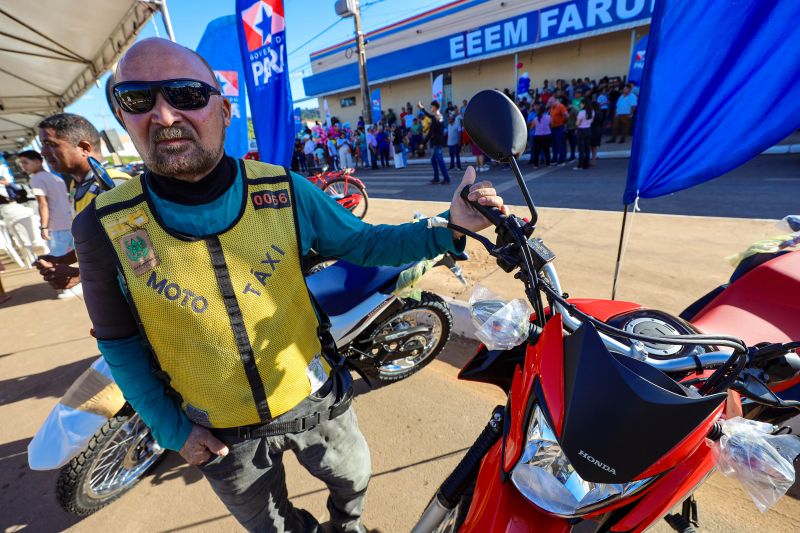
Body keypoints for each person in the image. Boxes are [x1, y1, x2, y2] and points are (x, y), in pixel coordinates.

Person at [72, 37, 504, 533]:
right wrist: (173, 432)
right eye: (137, 99)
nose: (165, 115)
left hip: (315, 397)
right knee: (272, 527)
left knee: (353, 480)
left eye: (185, 94)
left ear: (224, 111)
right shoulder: (102, 224)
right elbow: (119, 344)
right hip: (219, 432)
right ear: (122, 117)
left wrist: (450, 227)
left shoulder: (282, 189)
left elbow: (365, 244)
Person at [32, 113, 130, 295]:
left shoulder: (113, 184)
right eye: (42, 145)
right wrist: (62, 259)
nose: (43, 153)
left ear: (84, 148)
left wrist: (80, 275)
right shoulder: (76, 186)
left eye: (50, 144)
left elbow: (136, 250)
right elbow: (96, 242)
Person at [16, 150, 73, 258]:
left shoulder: (36, 179)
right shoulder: (56, 178)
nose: (23, 166)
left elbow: (43, 204)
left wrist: (44, 227)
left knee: (56, 261)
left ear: (38, 162)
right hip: (70, 222)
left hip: (56, 226)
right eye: (21, 163)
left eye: (25, 162)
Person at [418, 101, 450, 184]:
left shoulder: (436, 117)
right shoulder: (438, 116)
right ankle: (436, 178)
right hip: (438, 141)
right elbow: (429, 116)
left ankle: (446, 178)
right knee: (433, 160)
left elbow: (430, 132)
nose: (431, 108)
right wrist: (422, 108)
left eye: (431, 106)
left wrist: (423, 143)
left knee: (440, 160)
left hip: (437, 142)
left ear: (435, 107)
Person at [528, 104, 552, 168]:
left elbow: (532, 127)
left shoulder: (536, 118)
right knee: (547, 150)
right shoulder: (548, 117)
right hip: (547, 135)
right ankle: (548, 164)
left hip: (538, 135)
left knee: (537, 150)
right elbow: (551, 124)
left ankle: (536, 164)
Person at [575, 97, 594, 170]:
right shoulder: (592, 112)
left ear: (584, 104)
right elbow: (592, 121)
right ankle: (586, 164)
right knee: (587, 148)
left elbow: (577, 123)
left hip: (581, 130)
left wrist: (577, 123)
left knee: (581, 149)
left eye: (581, 104)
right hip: (588, 129)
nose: (580, 105)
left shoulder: (581, 112)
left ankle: (580, 164)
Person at [548, 97, 568, 165]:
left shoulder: (560, 106)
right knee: (554, 144)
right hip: (553, 128)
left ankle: (561, 159)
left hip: (559, 127)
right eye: (549, 103)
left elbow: (566, 115)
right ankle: (555, 158)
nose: (550, 104)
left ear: (555, 101)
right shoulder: (551, 108)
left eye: (551, 102)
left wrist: (563, 122)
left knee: (560, 144)